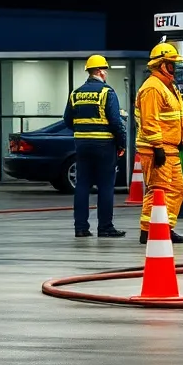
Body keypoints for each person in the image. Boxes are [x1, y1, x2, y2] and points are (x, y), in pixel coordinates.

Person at [64, 54, 127, 238]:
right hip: (104, 145)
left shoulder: (75, 93)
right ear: (100, 71)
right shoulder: (107, 92)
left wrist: (83, 130)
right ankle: (105, 227)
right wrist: (121, 143)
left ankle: (81, 228)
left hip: (82, 145)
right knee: (106, 186)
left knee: (82, 185)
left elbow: (67, 120)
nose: (106, 73)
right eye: (105, 70)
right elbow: (116, 122)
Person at [135, 41, 183, 245]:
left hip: (170, 148)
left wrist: (180, 140)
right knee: (158, 190)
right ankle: (147, 231)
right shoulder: (152, 88)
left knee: (177, 189)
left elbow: (174, 116)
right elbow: (150, 120)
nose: (174, 68)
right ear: (161, 65)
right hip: (156, 148)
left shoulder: (169, 87)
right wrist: (157, 147)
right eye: (171, 64)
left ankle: (166, 227)